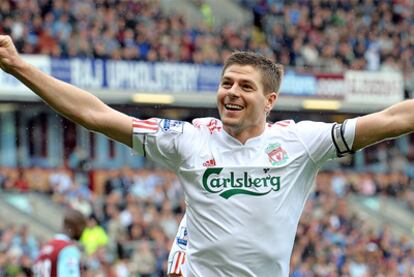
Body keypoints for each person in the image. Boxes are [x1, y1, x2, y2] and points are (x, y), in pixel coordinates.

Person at [1, 34, 414, 276]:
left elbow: (393, 117)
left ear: (269, 101)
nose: (232, 92)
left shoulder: (302, 142)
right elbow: (95, 114)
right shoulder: (188, 138)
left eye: (245, 87)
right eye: (227, 83)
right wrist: (18, 66)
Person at [33, 208, 87, 277]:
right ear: (75, 227)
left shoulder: (45, 247)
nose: (83, 232)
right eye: (82, 228)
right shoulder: (68, 249)